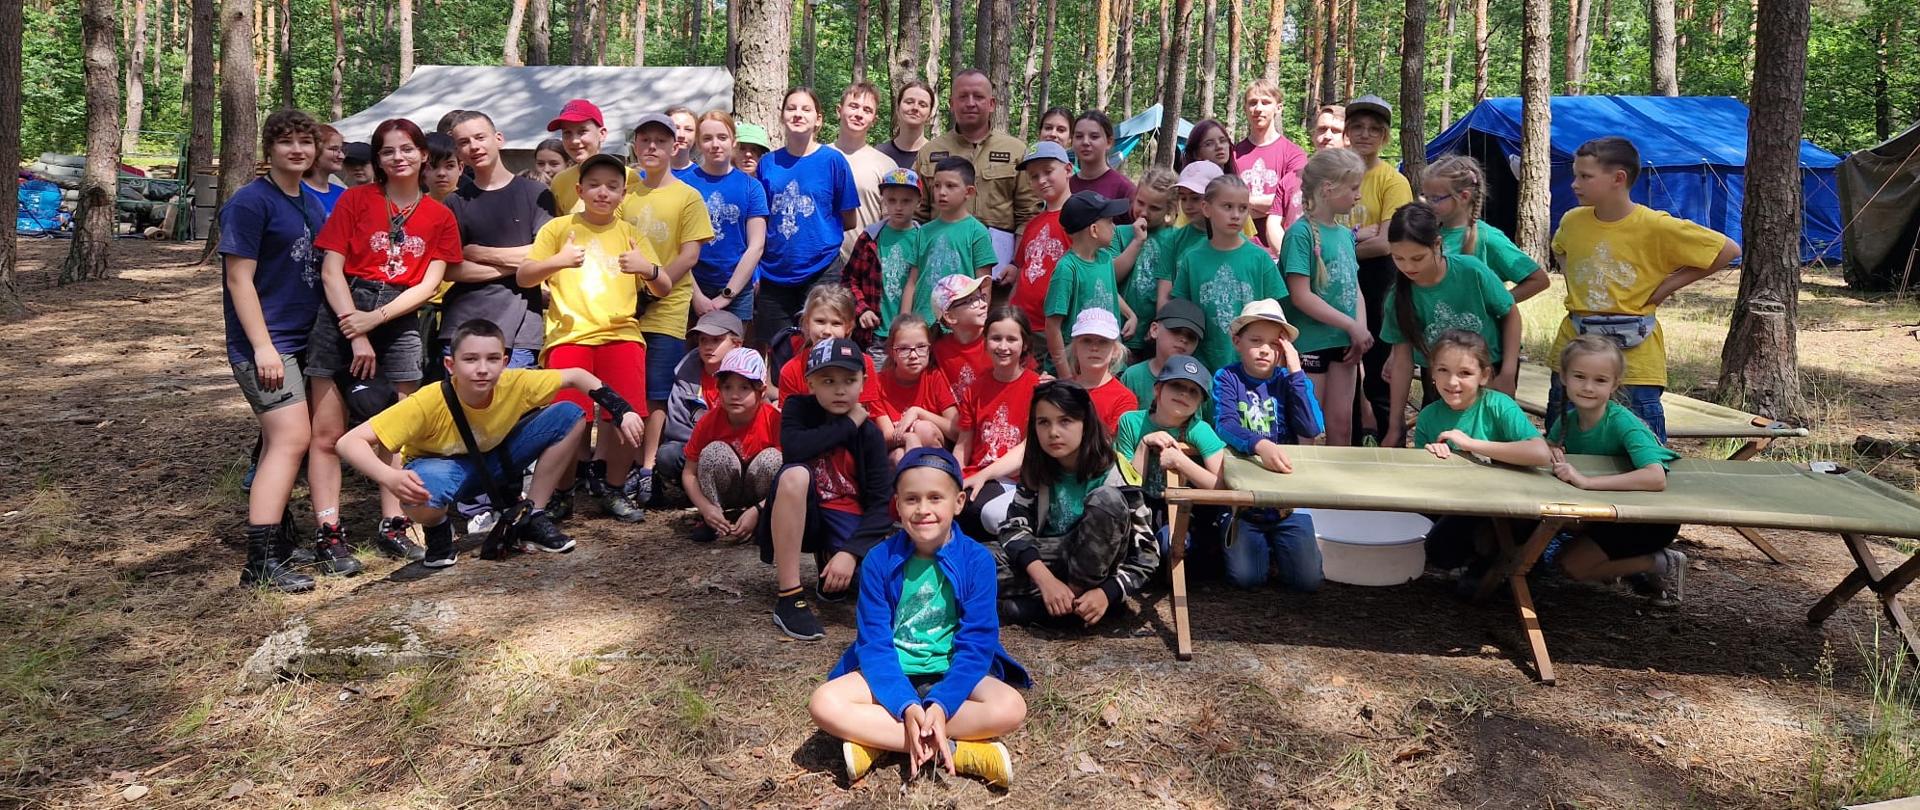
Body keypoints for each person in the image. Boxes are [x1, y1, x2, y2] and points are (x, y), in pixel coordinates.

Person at [333, 320, 642, 566]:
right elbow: (349, 442)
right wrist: (390, 477)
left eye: (493, 359)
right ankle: (437, 526)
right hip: (443, 470)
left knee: (570, 414)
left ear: (504, 362)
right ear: (451, 365)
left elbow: (576, 375)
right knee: (418, 496)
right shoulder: (427, 401)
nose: (483, 368)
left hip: (498, 460)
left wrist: (622, 410)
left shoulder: (514, 382)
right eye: (470, 359)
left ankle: (533, 515)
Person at [809, 447, 1029, 788]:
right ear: (897, 505)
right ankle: (957, 750)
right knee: (824, 702)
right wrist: (905, 704)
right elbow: (874, 644)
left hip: (951, 672)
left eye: (935, 498)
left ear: (958, 503)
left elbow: (977, 644)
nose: (923, 509)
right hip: (892, 672)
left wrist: (941, 704)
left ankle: (878, 741)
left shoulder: (977, 562)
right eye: (911, 499)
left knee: (1010, 707)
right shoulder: (878, 561)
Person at [305, 118, 461, 574]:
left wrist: (375, 322)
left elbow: (430, 284)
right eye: (388, 151)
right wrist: (356, 329)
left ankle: (393, 521)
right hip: (343, 308)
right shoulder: (356, 200)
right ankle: (329, 531)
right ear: (378, 158)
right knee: (327, 431)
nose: (399, 158)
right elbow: (332, 269)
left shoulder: (439, 215)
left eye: (407, 149)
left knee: (398, 425)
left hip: (398, 314)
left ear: (422, 155)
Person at [1545, 135, 1740, 442]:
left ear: (1618, 178)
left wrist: (1666, 287)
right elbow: (1560, 248)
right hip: (1574, 353)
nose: (1574, 184)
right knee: (1564, 440)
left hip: (1634, 362)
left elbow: (1727, 250)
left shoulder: (1655, 226)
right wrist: (1578, 285)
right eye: (1575, 175)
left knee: (1640, 443)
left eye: (1585, 176)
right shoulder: (1573, 221)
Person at [516, 153, 672, 522]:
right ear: (579, 189)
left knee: (626, 415)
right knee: (568, 417)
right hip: (569, 337)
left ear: (622, 194)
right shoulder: (557, 229)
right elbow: (524, 276)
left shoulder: (630, 233)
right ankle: (561, 491)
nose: (603, 192)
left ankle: (611, 487)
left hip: (621, 335)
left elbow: (663, 287)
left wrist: (647, 269)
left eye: (613, 186)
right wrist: (558, 261)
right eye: (595, 185)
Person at [224, 109, 330, 593]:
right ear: (269, 149)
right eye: (285, 141)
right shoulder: (250, 202)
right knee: (290, 440)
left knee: (280, 443)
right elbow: (238, 280)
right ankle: (260, 562)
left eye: (305, 141)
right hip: (268, 345)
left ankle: (280, 543)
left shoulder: (310, 199)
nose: (297, 150)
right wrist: (263, 346)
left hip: (309, 340)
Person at [762, 337, 897, 639]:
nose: (840, 389)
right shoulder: (798, 408)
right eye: (828, 380)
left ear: (863, 383)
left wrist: (851, 552)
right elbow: (794, 450)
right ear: (810, 383)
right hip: (805, 514)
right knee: (794, 474)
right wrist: (847, 424)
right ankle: (789, 596)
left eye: (850, 380)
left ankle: (830, 567)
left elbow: (880, 506)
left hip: (847, 518)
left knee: (884, 589)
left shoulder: (871, 434)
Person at [996, 380, 1159, 628]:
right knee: (974, 559)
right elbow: (1013, 528)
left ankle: (1081, 602)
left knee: (1106, 501)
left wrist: (1108, 591)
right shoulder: (1037, 466)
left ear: (1085, 424)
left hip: (1097, 569)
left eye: (1065, 421)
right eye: (1043, 422)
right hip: (1051, 557)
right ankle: (1057, 603)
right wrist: (1046, 581)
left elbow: (1147, 554)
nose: (1053, 432)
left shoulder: (1115, 471)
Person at [618, 113, 717, 506]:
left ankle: (648, 468)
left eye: (661, 141)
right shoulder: (626, 193)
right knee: (626, 392)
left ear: (677, 146)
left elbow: (690, 253)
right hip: (623, 308)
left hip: (668, 308)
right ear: (636, 147)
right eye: (645, 141)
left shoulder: (688, 196)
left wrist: (656, 285)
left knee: (658, 392)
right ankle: (621, 468)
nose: (653, 148)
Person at [1545, 336, 1688, 605]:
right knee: (1554, 548)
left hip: (1647, 521)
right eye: (1579, 376)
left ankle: (1660, 562)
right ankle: (1617, 564)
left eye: (1600, 380)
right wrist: (1549, 449)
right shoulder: (1569, 419)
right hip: (1606, 513)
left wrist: (1586, 482)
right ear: (1563, 377)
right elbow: (1550, 444)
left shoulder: (1624, 423)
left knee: (1572, 567)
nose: (1588, 387)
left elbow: (1656, 477)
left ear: (1615, 384)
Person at [1380, 203, 1522, 449]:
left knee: (1497, 445)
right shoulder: (1398, 297)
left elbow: (1510, 315)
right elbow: (1402, 362)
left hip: (1490, 373)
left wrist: (1508, 373)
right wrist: (1395, 426)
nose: (1408, 267)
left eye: (1417, 258)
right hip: (1440, 381)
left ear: (1437, 244)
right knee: (1443, 447)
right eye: (1398, 258)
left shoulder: (1471, 271)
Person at [1414, 330, 1553, 577]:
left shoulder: (1498, 405)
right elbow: (1422, 481)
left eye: (1465, 373)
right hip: (1460, 505)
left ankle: (1501, 564)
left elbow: (1540, 453)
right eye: (1443, 370)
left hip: (1510, 505)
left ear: (1484, 375)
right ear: (1432, 372)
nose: (1452, 382)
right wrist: (1433, 457)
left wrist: (1471, 444)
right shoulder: (1428, 416)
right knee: (1439, 551)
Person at [1213, 299, 1324, 590]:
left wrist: (1296, 371)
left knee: (1308, 583)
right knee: (1247, 579)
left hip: (1287, 501)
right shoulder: (1228, 377)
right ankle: (1254, 544)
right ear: (1238, 341)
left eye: (1274, 343)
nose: (1264, 349)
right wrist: (1259, 444)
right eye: (1255, 340)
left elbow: (1311, 427)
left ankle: (1281, 546)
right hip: (1244, 503)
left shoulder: (1290, 380)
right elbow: (1225, 424)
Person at [443, 110, 556, 372]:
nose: (474, 146)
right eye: (464, 142)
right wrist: (520, 265)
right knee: (461, 410)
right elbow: (450, 269)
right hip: (461, 326)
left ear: (499, 139)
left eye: (480, 137)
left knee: (517, 411)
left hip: (520, 329)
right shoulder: (454, 202)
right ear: (459, 152)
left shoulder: (536, 194)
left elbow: (545, 256)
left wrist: (477, 252)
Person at [1278, 147, 1370, 446]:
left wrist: (1360, 329)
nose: (1358, 196)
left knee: (1342, 426)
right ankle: (1302, 490)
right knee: (1308, 427)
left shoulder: (1345, 235)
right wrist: (1350, 325)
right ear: (1328, 188)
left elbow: (1353, 287)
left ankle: (1338, 490)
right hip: (1311, 344)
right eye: (1354, 188)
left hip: (1343, 345)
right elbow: (1301, 295)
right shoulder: (1300, 233)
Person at [1341, 95, 1416, 443]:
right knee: (1344, 369)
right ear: (1347, 132)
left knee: (1378, 372)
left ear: (1385, 137)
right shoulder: (1337, 176)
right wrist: (1361, 236)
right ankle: (1353, 444)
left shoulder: (1392, 181)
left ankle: (1392, 442)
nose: (1365, 135)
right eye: (1357, 127)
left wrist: (1342, 244)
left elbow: (1388, 243)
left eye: (1374, 129)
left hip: (1380, 283)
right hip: (1340, 282)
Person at [759, 87, 861, 339]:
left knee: (822, 344)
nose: (798, 114)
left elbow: (849, 218)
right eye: (791, 108)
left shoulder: (832, 161)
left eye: (806, 109)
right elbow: (761, 219)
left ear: (819, 119)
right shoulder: (768, 163)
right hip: (774, 271)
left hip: (821, 268)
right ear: (782, 116)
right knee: (779, 348)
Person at [1114, 354, 1228, 565]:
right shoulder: (1131, 422)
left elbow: (1221, 486)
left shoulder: (1200, 429)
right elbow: (1128, 488)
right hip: (1140, 506)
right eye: (1176, 385)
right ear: (1157, 390)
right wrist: (1143, 445)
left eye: (1194, 391)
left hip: (1184, 509)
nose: (1184, 393)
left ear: (1200, 403)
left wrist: (1180, 461)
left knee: (1170, 546)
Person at [1172, 174, 1288, 371]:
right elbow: (1183, 311)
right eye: (1227, 207)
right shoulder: (1192, 259)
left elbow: (1277, 317)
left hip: (1252, 367)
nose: (1236, 215)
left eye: (1243, 208)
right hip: (1202, 365)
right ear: (1206, 209)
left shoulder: (1260, 259)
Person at [914, 69, 1041, 247]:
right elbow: (916, 215)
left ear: (991, 104)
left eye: (979, 96)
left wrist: (1015, 263)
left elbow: (1028, 214)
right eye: (963, 96)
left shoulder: (1016, 151)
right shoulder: (929, 152)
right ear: (952, 103)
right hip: (941, 253)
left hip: (999, 259)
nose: (970, 103)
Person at [955, 307, 1042, 540]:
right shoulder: (975, 388)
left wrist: (982, 476)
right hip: (977, 475)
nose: (1003, 346)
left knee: (985, 513)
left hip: (1016, 480)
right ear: (985, 342)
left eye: (1011, 339)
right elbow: (964, 444)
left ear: (1024, 344)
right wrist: (952, 476)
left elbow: (1028, 448)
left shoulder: (1038, 388)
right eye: (996, 338)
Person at [683, 346, 783, 544]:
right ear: (718, 389)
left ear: (761, 391)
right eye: (727, 387)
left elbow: (789, 475)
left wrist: (760, 509)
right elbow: (689, 472)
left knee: (773, 458)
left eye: (744, 388)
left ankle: (765, 519)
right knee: (713, 452)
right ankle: (716, 519)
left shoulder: (775, 420)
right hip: (727, 489)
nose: (734, 395)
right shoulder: (709, 421)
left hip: (761, 495)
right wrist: (705, 508)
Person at [1422, 154, 1549, 303]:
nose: (1428, 203)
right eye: (1425, 196)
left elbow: (1539, 280)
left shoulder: (1488, 238)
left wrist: (1496, 304)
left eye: (1435, 198)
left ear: (1464, 197)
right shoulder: (1427, 233)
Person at [684, 111, 769, 330]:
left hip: (737, 287)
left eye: (722, 137)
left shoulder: (751, 187)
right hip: (691, 284)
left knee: (733, 356)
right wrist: (697, 295)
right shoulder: (684, 186)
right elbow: (676, 247)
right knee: (692, 356)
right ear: (698, 143)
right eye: (707, 138)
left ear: (733, 141)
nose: (715, 144)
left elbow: (756, 245)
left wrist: (728, 294)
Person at [657, 310, 749, 509]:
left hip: (742, 453)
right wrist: (707, 448)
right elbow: (676, 428)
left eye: (716, 340)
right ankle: (699, 493)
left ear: (737, 344)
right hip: (697, 450)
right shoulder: (685, 374)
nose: (708, 346)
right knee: (668, 454)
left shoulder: (750, 377)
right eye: (703, 340)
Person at [1043, 191, 1141, 373]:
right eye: (1110, 222)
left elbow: (1107, 291)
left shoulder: (1104, 258)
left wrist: (1131, 315)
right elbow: (1052, 326)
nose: (1114, 227)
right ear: (1094, 230)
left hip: (1107, 365)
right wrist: (1065, 375)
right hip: (1077, 369)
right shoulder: (1067, 269)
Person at [899, 157, 998, 326]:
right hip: (923, 322)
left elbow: (985, 284)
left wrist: (979, 321)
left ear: (969, 192)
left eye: (950, 186)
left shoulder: (977, 232)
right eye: (937, 186)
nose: (941, 192)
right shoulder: (923, 231)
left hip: (960, 323)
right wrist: (904, 320)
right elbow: (912, 281)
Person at [845, 167, 923, 349]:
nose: (898, 206)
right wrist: (862, 309)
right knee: (877, 377)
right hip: (875, 333)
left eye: (906, 201)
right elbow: (849, 280)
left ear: (919, 202)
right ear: (883, 200)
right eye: (892, 200)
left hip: (913, 334)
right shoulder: (870, 238)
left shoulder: (924, 239)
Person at [1009, 141, 1076, 338]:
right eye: (1034, 176)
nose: (1042, 180)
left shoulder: (1078, 220)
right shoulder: (1033, 224)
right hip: (1021, 325)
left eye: (1048, 171)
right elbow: (1023, 270)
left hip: (1055, 327)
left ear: (1068, 169)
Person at [832, 82, 901, 265]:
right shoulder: (818, 158)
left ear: (874, 120)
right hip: (822, 266)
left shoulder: (885, 165)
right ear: (839, 110)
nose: (859, 114)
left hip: (865, 264)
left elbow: (892, 222)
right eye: (853, 106)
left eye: (867, 110)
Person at [1234, 80, 1309, 249]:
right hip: (1239, 248)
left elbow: (1292, 203)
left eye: (1266, 102)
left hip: (1280, 249)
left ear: (1278, 108)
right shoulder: (1233, 154)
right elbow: (1224, 203)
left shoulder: (1294, 154)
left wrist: (1244, 202)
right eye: (1253, 103)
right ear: (1245, 108)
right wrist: (1271, 205)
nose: (1258, 108)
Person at [877, 314, 959, 454]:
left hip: (935, 451)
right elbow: (886, 437)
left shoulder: (934, 378)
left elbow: (956, 431)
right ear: (892, 352)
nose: (913, 355)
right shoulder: (879, 383)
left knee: (924, 429)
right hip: (898, 450)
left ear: (929, 349)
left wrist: (917, 412)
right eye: (903, 349)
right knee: (897, 456)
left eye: (921, 347)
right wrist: (911, 439)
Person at [1118, 167, 1179, 357]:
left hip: (1156, 335)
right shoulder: (1119, 234)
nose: (1144, 212)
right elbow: (1111, 276)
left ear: (1169, 209)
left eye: (1154, 208)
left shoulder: (1176, 239)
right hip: (1120, 330)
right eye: (1140, 203)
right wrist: (1137, 241)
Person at [545, 98, 641, 214]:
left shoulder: (629, 178)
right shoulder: (560, 182)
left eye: (582, 131)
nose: (574, 140)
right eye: (567, 133)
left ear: (602, 134)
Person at [1150, 161, 1219, 317]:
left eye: (1195, 198)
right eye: (1183, 198)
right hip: (1185, 329)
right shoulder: (1175, 240)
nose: (1188, 205)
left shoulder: (1234, 241)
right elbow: (1165, 295)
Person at [1118, 299, 1206, 409]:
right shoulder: (1133, 376)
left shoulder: (1202, 381)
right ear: (1154, 329)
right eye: (1176, 330)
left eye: (1191, 336)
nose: (1184, 339)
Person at [1064, 309, 1138, 436]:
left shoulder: (1124, 399)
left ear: (1115, 350)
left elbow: (1111, 448)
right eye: (1087, 340)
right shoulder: (1061, 389)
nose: (1094, 348)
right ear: (1075, 347)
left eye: (1103, 341)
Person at [930, 274, 995, 406]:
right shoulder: (937, 351)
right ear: (950, 316)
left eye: (981, 297)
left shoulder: (998, 342)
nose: (983, 304)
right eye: (971, 300)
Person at [1069, 110, 1135, 208]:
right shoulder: (1066, 186)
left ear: (1109, 142)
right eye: (1079, 136)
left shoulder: (1124, 189)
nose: (1085, 142)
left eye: (1094, 137)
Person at [875, 80, 936, 169]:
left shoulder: (937, 155)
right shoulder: (879, 154)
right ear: (897, 108)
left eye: (922, 105)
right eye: (909, 102)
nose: (915, 108)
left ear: (930, 114)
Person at [302, 124, 348, 213]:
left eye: (341, 150)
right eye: (334, 149)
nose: (341, 156)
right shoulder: (295, 192)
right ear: (314, 151)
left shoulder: (343, 194)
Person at [423, 133, 461, 202]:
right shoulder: (412, 208)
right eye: (433, 166)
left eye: (450, 166)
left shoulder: (474, 205)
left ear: (460, 168)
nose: (441, 173)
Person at [666, 105, 699, 176]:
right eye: (676, 128)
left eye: (688, 129)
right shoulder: (643, 176)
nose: (681, 135)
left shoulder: (703, 177)